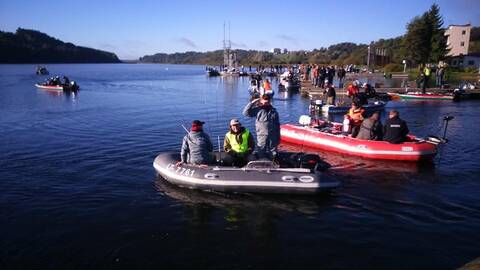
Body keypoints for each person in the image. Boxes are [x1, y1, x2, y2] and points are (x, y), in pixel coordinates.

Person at [242, 94, 280, 159]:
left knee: (273, 153)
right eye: (264, 102)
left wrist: (278, 137)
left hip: (273, 136)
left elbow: (277, 125)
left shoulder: (274, 111)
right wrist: (252, 103)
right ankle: (262, 165)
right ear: (261, 101)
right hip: (262, 136)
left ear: (270, 101)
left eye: (267, 102)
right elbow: (245, 113)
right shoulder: (258, 110)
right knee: (261, 152)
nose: (266, 103)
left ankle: (273, 164)